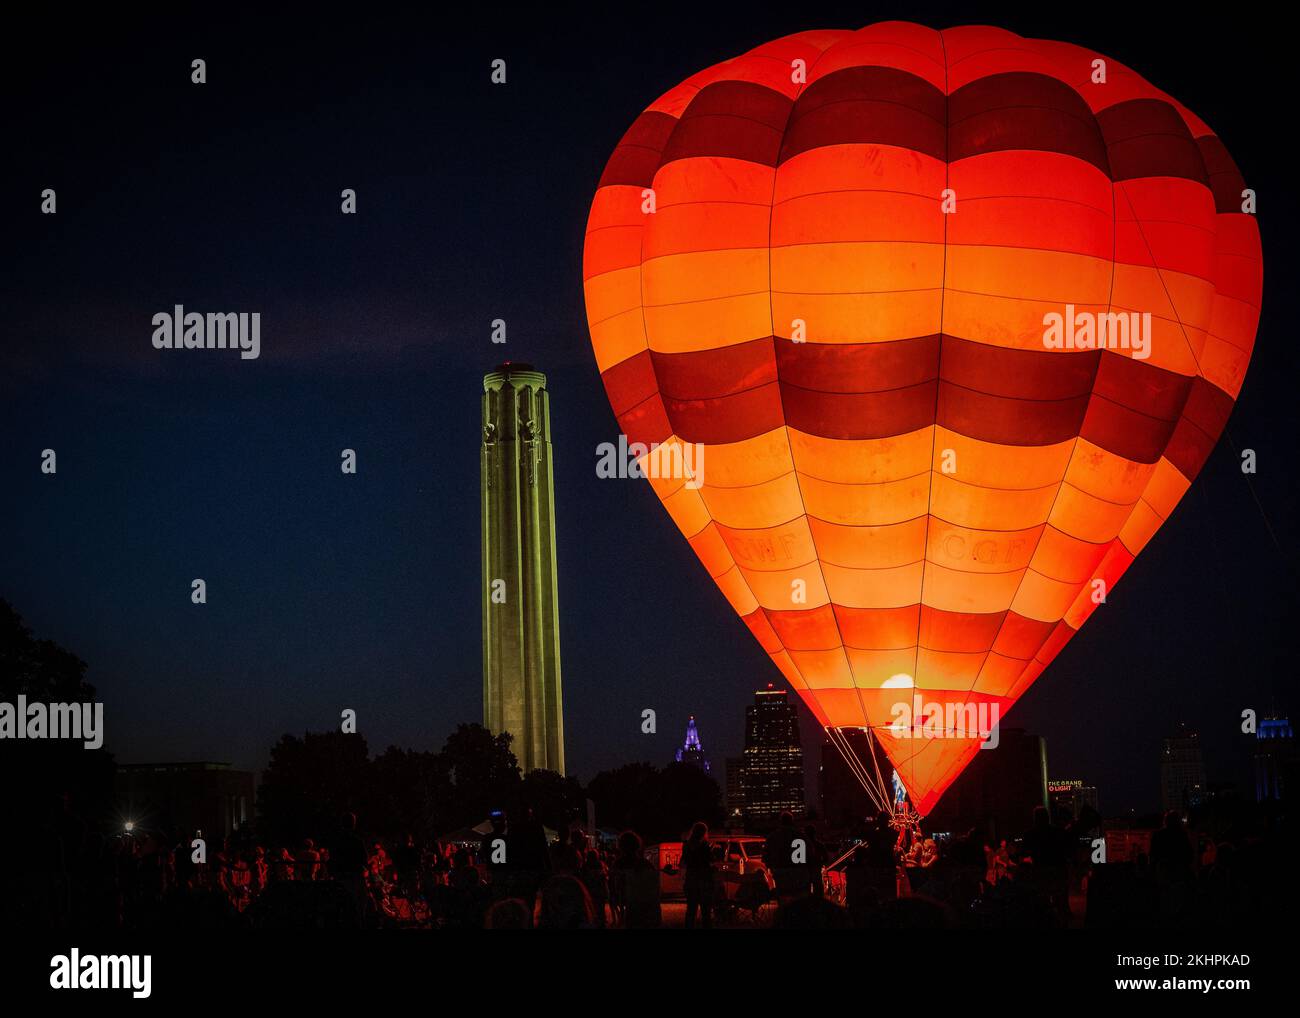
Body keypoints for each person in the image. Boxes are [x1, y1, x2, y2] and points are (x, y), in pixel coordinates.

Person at [611, 830, 661, 929]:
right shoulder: (645, 864)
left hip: (629, 904)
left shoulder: (619, 864)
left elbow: (615, 885)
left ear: (621, 846)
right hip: (644, 904)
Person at [681, 822, 715, 930]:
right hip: (704, 881)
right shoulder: (705, 846)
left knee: (691, 911)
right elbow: (709, 862)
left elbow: (684, 862)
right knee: (706, 912)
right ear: (704, 833)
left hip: (691, 880)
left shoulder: (686, 845)